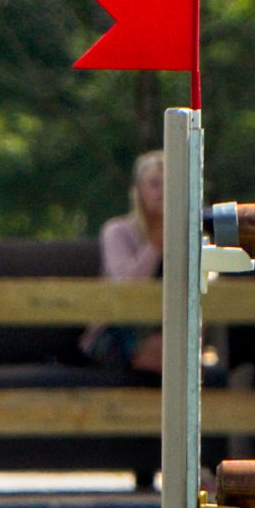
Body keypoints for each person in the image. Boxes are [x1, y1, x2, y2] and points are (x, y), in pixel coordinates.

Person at [83, 150, 170, 376]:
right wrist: (155, 244)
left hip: (167, 328)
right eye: (154, 184)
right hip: (117, 329)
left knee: (174, 346)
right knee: (166, 351)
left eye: (169, 184)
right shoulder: (116, 231)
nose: (162, 192)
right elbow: (128, 288)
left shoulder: (187, 238)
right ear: (139, 190)